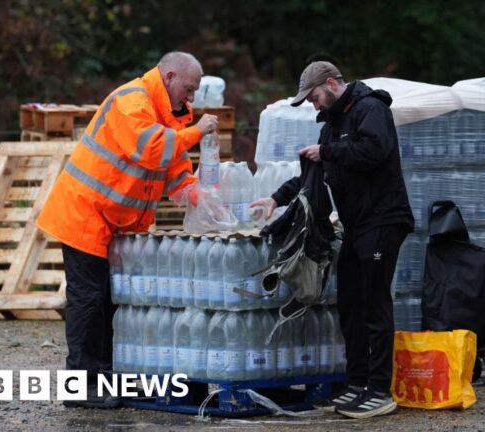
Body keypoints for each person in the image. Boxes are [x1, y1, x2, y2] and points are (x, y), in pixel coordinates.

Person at [37, 52, 218, 408]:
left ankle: (106, 378)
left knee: (111, 301)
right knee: (89, 301)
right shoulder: (130, 101)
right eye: (189, 88)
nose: (192, 98)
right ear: (168, 77)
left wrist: (197, 194)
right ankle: (83, 385)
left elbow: (175, 166)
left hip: (115, 222)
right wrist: (197, 132)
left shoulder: (172, 113)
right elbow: (151, 150)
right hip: (86, 214)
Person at [249, 61, 414, 419]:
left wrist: (328, 152)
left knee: (374, 303)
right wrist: (275, 199)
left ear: (330, 84)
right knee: (351, 303)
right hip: (357, 226)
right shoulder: (333, 125)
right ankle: (355, 383)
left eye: (314, 96)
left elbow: (374, 151)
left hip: (384, 220)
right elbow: (313, 174)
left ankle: (380, 390)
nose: (313, 104)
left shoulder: (371, 108)